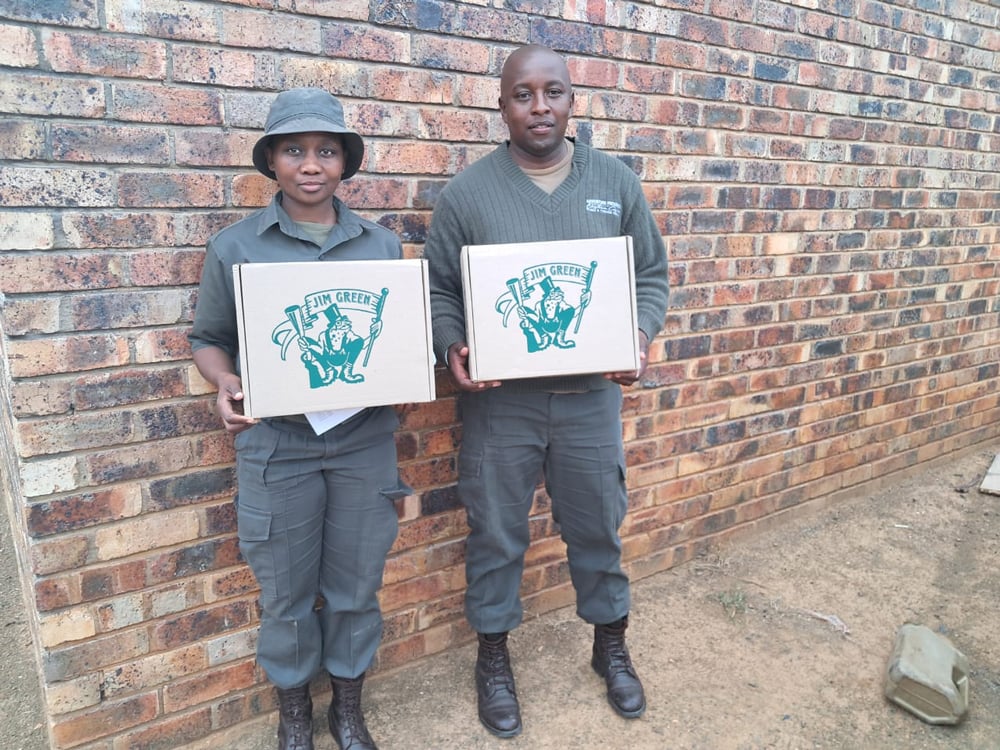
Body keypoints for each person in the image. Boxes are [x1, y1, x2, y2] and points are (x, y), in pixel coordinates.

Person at [423, 44, 669, 738]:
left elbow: (649, 274)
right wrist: (454, 347)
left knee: (596, 525)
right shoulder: (470, 193)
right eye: (522, 95)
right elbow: (441, 288)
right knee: (497, 534)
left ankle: (609, 645)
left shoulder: (613, 183)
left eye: (552, 92)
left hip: (590, 397)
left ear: (571, 100)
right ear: (501, 106)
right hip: (502, 401)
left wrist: (639, 335)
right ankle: (494, 656)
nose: (539, 107)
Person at [188, 87, 409, 750]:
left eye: (325, 151)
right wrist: (224, 380)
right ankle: (293, 713)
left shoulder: (380, 247)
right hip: (278, 446)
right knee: (285, 591)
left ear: (344, 163)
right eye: (295, 151)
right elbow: (207, 337)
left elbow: (394, 337)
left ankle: (347, 706)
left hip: (363, 441)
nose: (310, 164)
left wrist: (407, 364)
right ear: (273, 162)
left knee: (355, 582)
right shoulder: (236, 247)